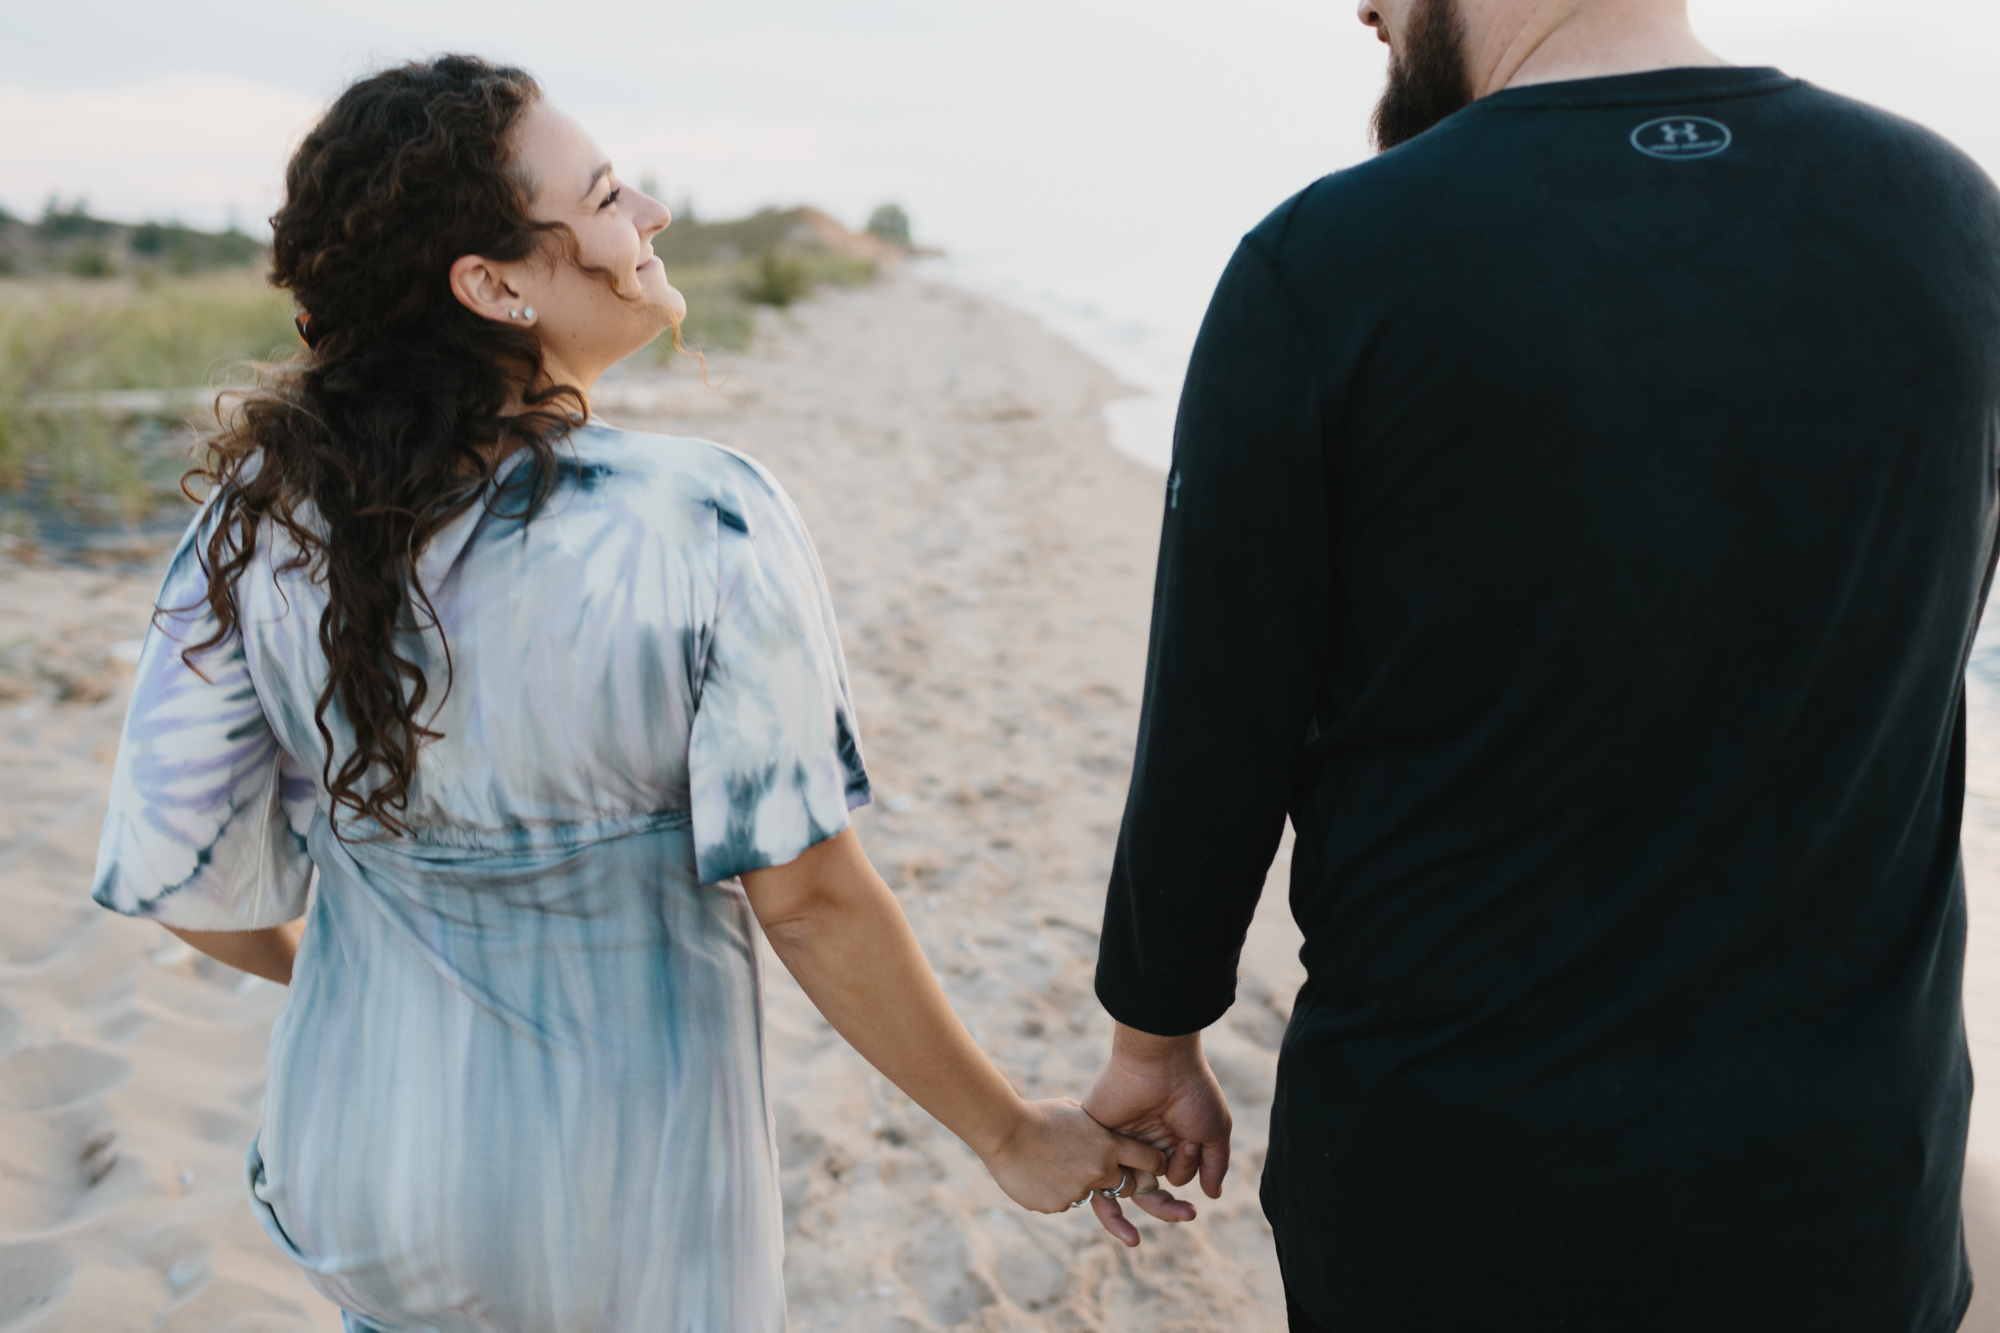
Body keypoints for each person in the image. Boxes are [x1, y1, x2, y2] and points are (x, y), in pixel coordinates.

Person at [88, 56, 1170, 1333]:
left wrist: (375, 966)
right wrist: (1006, 1132)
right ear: (491, 286)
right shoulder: (702, 517)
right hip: (624, 1206)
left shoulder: (257, 521)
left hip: (367, 1168)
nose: (648, 211)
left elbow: (183, 882)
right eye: (604, 197)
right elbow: (812, 901)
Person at [1081, 0, 2000, 1329]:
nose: (1366, 10)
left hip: (1460, 1180)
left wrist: (1154, 1039)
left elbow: (1218, 736)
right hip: (1847, 1175)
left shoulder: (1328, 261)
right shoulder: (1951, 216)